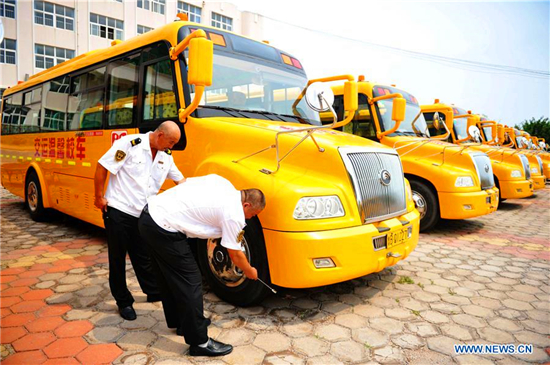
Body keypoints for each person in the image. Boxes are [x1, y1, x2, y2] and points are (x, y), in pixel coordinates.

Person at [138, 174, 265, 357]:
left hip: (149, 216)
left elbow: (187, 183)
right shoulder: (233, 213)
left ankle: (181, 323)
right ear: (246, 205)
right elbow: (235, 253)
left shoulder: (223, 182)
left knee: (169, 276)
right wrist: (249, 271)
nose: (250, 218)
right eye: (252, 214)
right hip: (164, 227)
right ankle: (199, 342)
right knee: (191, 281)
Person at [94, 121, 186, 321]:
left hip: (143, 214)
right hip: (119, 210)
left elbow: (180, 181)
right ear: (160, 135)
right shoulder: (130, 144)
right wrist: (99, 197)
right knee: (117, 258)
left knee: (143, 255)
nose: (172, 146)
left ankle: (152, 290)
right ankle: (124, 301)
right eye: (171, 142)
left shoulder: (165, 156)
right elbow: (103, 166)